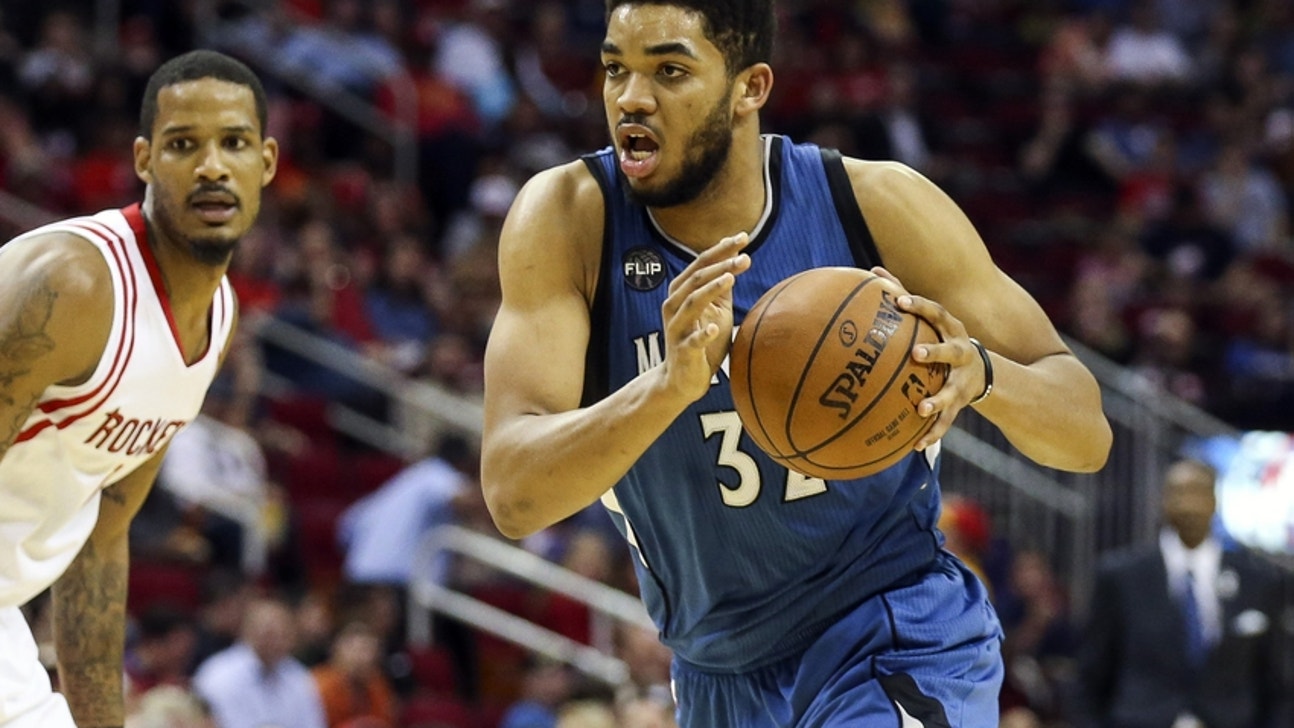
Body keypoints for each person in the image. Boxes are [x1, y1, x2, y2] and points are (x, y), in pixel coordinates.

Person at [479, 2, 1112, 726]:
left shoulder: (873, 205)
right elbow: (513, 494)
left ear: (750, 88)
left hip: (892, 632)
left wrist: (985, 378)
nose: (631, 98)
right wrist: (668, 386)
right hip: (715, 670)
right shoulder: (567, 221)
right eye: (615, 68)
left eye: (670, 70)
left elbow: (1087, 431)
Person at [0, 49, 278, 728]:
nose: (212, 165)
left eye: (234, 143)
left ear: (266, 163)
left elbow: (100, 540)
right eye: (184, 145)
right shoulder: (71, 286)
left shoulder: (215, 324)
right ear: (145, 161)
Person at [1077, 458, 1293, 728]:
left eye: (1198, 492)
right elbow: (1090, 677)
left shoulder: (1259, 580)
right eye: (1178, 492)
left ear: (1215, 501)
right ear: (1162, 501)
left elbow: (1279, 683)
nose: (1188, 504)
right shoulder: (1120, 576)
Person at [191, 597, 327, 728]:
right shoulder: (218, 674)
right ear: (246, 631)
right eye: (268, 632)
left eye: (283, 633)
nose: (275, 640)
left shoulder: (299, 676)